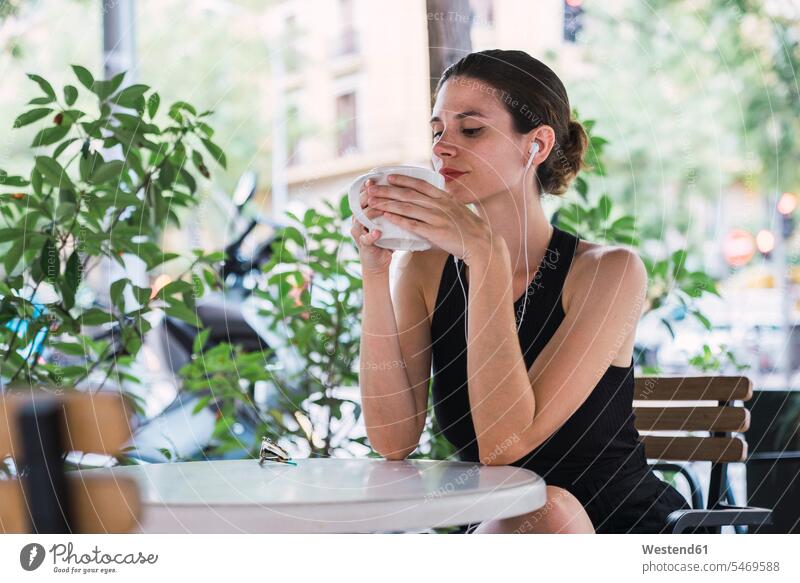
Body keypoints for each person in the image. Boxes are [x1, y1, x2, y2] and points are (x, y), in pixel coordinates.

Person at [351, 49, 689, 534]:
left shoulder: (609, 273)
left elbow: (506, 445)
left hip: (616, 530)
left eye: (470, 130)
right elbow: (392, 439)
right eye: (437, 131)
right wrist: (375, 272)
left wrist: (486, 258)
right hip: (498, 534)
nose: (442, 148)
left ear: (537, 144)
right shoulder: (425, 271)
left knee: (546, 510)